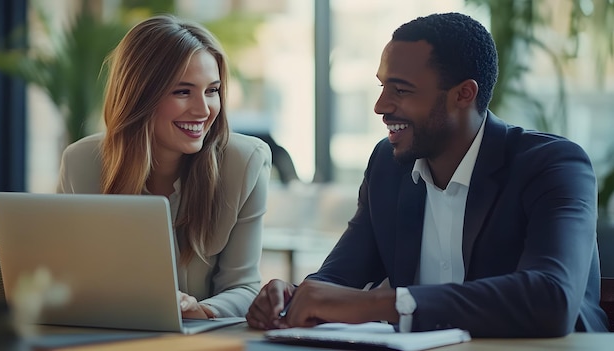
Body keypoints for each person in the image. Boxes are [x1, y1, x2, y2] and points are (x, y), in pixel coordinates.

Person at [246, 12, 609, 337]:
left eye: (400, 90)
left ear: (463, 94)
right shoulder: (389, 165)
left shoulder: (552, 165)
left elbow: (551, 299)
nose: (381, 106)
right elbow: (339, 277)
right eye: (382, 86)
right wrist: (294, 296)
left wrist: (387, 304)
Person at [56, 15, 272, 319]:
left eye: (212, 91)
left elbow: (244, 288)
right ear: (139, 96)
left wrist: (202, 309)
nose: (203, 110)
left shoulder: (244, 162)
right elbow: (63, 279)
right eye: (183, 91)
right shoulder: (81, 162)